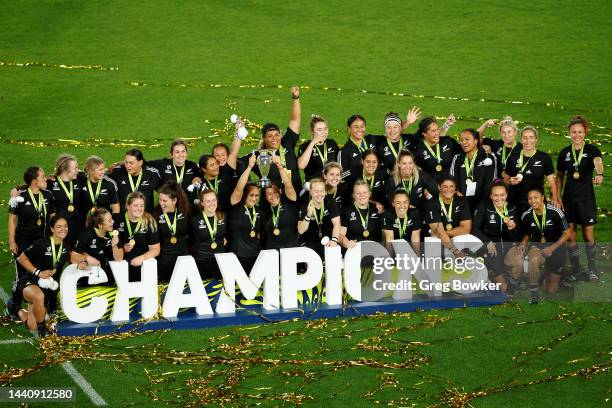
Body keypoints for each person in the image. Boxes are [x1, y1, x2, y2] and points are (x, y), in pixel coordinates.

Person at [555, 115, 604, 281]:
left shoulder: (592, 150)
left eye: (580, 132)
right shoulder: (565, 153)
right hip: (568, 200)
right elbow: (559, 176)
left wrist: (600, 173)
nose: (577, 135)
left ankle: (592, 269)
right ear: (569, 132)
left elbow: (598, 161)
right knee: (571, 236)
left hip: (586, 200)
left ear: (585, 132)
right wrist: (557, 196)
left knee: (588, 236)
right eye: (574, 132)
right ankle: (576, 270)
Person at [6, 167, 55, 319]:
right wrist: (12, 241)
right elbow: (12, 220)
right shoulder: (20, 197)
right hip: (23, 242)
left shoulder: (47, 195)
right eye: (43, 176)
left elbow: (52, 218)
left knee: (38, 272)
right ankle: (13, 306)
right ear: (34, 181)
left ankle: (39, 305)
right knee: (21, 275)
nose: (45, 179)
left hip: (41, 243)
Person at [510, 187, 571, 303]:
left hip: (556, 248)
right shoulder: (526, 215)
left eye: (536, 198)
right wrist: (523, 242)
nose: (533, 201)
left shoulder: (555, 211)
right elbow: (528, 232)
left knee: (551, 289)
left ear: (542, 198)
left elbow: (568, 233)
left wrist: (552, 248)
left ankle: (545, 273)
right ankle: (534, 294)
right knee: (533, 260)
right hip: (538, 246)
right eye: (530, 199)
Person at [238, 86, 302, 191]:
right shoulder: (258, 155)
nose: (274, 138)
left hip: (294, 199)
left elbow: (295, 121)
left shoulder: (287, 143)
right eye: (270, 135)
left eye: (277, 134)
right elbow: (234, 163)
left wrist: (296, 98)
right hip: (271, 200)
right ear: (263, 138)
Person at [16, 215, 70, 336]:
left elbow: (62, 261)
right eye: (59, 226)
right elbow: (21, 258)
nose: (63, 229)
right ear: (52, 229)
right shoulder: (41, 243)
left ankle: (18, 310)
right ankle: (42, 331)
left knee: (31, 325)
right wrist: (38, 272)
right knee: (38, 296)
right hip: (30, 281)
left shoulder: (66, 247)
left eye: (65, 226)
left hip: (46, 287)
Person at [471, 182, 520, 292]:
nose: (499, 198)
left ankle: (512, 286)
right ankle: (494, 277)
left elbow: (520, 230)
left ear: (506, 195)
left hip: (508, 246)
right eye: (496, 195)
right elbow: (473, 228)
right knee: (503, 288)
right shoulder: (484, 207)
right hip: (492, 248)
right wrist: (487, 242)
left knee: (519, 264)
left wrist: (514, 227)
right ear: (491, 196)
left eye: (502, 195)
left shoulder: (512, 208)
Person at [504, 126, 560, 215]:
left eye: (531, 138)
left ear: (536, 139)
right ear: (521, 140)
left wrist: (554, 199)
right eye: (525, 138)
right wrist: (510, 182)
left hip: (536, 202)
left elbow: (551, 182)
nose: (528, 141)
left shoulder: (544, 157)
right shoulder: (513, 158)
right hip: (516, 202)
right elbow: (505, 181)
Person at [229, 155, 263, 272]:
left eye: (257, 196)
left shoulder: (259, 211)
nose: (254, 198)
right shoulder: (236, 206)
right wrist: (249, 167)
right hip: (238, 256)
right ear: (244, 195)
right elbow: (239, 188)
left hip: (255, 255)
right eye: (251, 195)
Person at [71, 208, 123, 285]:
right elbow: (73, 257)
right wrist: (87, 258)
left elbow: (119, 258)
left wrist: (114, 245)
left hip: (105, 272)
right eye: (109, 220)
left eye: (112, 219)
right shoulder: (86, 235)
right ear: (100, 225)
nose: (113, 221)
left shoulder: (113, 234)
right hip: (87, 273)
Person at [450, 128, 497, 211]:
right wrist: (456, 191)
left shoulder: (488, 158)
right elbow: (452, 178)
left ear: (476, 141)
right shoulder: (457, 158)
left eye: (467, 139)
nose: (463, 142)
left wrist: (483, 204)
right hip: (461, 202)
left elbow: (490, 182)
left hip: (482, 202)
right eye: (461, 140)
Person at [116, 192, 160, 281]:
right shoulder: (117, 220)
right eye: (135, 205)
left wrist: (142, 258)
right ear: (128, 206)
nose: (139, 209)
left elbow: (156, 249)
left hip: (142, 264)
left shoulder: (149, 221)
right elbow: (108, 245)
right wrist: (122, 248)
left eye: (142, 206)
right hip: (121, 264)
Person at [425, 176, 471, 258]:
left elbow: (466, 228)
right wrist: (455, 251)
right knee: (433, 242)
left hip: (455, 234)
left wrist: (444, 233)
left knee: (469, 239)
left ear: (455, 187)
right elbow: (438, 232)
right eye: (445, 187)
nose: (448, 190)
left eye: (451, 186)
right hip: (436, 238)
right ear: (439, 187)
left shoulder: (461, 200)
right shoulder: (431, 204)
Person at [261, 158, 299, 250]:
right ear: (265, 196)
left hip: (290, 249)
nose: (273, 196)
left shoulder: (290, 203)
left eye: (275, 192)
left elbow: (288, 186)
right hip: (272, 250)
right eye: (269, 194)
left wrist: (280, 167)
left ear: (280, 192)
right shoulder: (264, 210)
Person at [156, 181, 190, 282]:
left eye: (164, 201)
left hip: (182, 259)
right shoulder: (156, 214)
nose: (161, 203)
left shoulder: (186, 213)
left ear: (174, 200)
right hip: (163, 261)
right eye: (160, 200)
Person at [298, 178, 341, 257]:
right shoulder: (305, 206)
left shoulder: (330, 202)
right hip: (309, 243)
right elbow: (300, 230)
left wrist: (334, 240)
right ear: (310, 192)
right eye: (316, 191)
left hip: (327, 240)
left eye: (322, 191)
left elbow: (337, 224)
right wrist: (308, 215)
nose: (319, 194)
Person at [190, 189, 228, 280]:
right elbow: (191, 240)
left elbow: (228, 235)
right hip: (202, 261)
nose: (212, 203)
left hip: (220, 260)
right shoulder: (195, 219)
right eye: (208, 201)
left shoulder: (223, 216)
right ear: (202, 203)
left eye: (214, 200)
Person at [109, 149, 161, 213]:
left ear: (140, 162)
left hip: (145, 218)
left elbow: (164, 192)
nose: (128, 166)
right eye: (126, 162)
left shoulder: (151, 174)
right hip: (124, 219)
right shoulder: (117, 172)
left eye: (131, 163)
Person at [47, 154, 83, 245]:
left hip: (76, 226)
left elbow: (95, 170)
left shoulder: (80, 179)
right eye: (75, 168)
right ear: (65, 170)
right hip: (60, 228)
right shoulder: (51, 182)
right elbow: (33, 184)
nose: (77, 171)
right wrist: (16, 189)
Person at [78, 155, 119, 225]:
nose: (103, 172)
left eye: (103, 169)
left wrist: (113, 222)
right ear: (90, 170)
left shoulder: (109, 183)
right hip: (84, 222)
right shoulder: (81, 181)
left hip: (103, 223)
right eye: (100, 170)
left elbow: (115, 207)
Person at [339, 180, 382, 248]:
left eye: (364, 192)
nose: (362, 195)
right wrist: (347, 243)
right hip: (354, 250)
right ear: (353, 195)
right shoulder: (346, 211)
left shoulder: (377, 210)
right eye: (358, 193)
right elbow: (340, 235)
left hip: (374, 250)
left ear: (369, 194)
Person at [297, 115, 339, 181]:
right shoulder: (305, 146)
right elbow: (301, 166)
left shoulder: (331, 143)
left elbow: (339, 163)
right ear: (312, 131)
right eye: (319, 130)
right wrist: (312, 143)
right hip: (313, 186)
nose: (324, 132)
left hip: (330, 184)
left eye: (325, 129)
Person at [337, 114, 378, 179]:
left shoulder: (372, 139)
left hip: (376, 184)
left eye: (362, 126)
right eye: (356, 127)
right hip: (357, 186)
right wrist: (358, 169)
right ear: (349, 129)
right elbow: (341, 176)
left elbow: (390, 136)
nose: (360, 130)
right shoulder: (344, 151)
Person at [382, 190, 421, 254]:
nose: (402, 206)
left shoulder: (415, 213)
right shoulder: (387, 215)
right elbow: (389, 239)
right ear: (393, 204)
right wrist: (389, 259)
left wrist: (416, 257)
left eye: (405, 202)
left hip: (410, 249)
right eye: (398, 203)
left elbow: (415, 237)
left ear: (409, 203)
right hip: (393, 250)